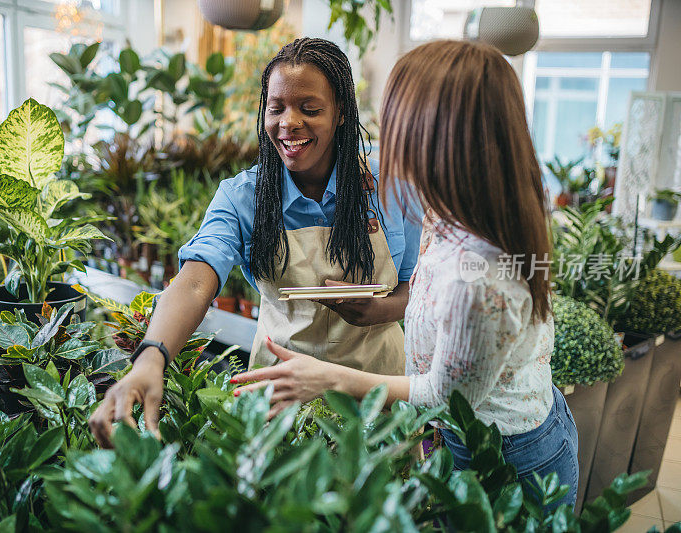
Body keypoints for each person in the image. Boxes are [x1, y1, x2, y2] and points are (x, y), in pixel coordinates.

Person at [231, 40, 579, 509]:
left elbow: (443, 396)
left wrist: (328, 378)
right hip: (480, 433)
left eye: (396, 121)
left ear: (442, 135)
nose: (382, 136)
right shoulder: (456, 206)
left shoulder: (477, 278)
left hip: (506, 457)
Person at [89, 38, 421, 447]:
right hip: (282, 406)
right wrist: (150, 359)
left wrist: (378, 310)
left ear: (340, 114)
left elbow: (419, 289)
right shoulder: (243, 197)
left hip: (378, 400)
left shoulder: (390, 189)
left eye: (310, 110)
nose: (289, 122)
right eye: (276, 107)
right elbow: (194, 283)